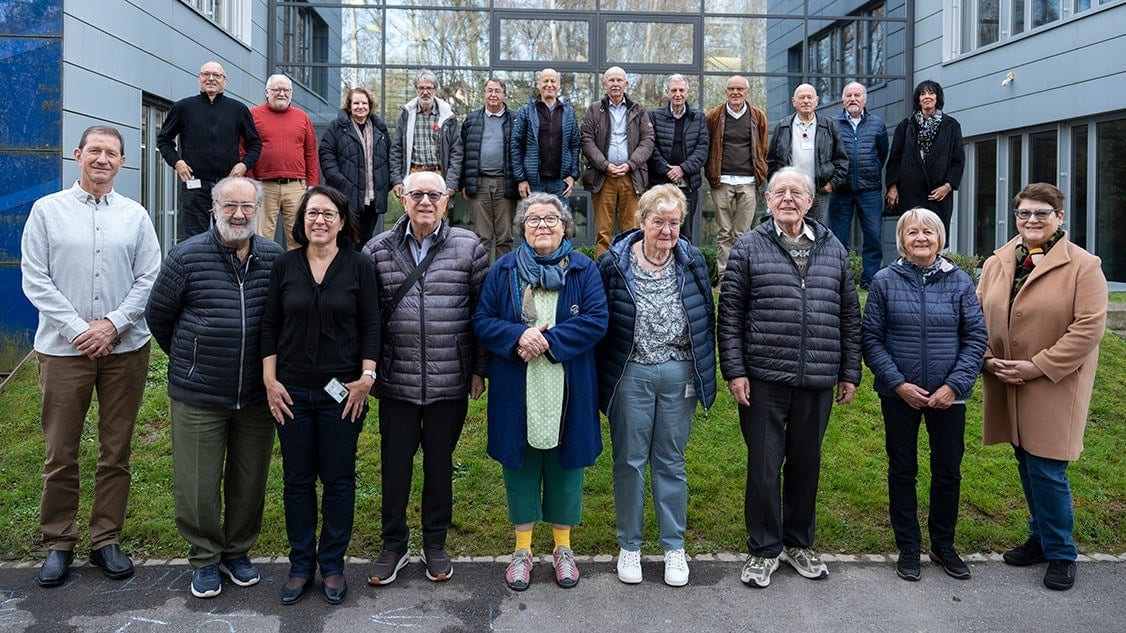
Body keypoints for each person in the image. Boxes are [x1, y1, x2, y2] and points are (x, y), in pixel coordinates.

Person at [21, 125, 161, 588]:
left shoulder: (136, 216)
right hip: (64, 350)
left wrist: (113, 324)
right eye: (95, 151)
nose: (103, 159)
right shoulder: (47, 211)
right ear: (79, 155)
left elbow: (149, 277)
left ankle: (106, 539)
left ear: (123, 162)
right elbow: (36, 279)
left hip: (125, 349)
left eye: (112, 153)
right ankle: (59, 541)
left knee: (115, 450)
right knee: (60, 451)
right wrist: (83, 330)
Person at [717, 167, 861, 589]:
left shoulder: (833, 248)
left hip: (817, 376)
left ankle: (799, 542)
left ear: (810, 200)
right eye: (779, 192)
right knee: (763, 466)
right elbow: (730, 318)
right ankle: (763, 549)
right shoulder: (747, 247)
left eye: (796, 192)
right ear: (766, 201)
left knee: (806, 464)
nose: (787, 199)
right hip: (762, 377)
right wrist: (736, 371)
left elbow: (849, 315)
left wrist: (849, 371)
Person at [145, 176, 283, 598]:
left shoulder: (275, 258)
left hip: (257, 394)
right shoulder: (186, 257)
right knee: (198, 483)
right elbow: (159, 317)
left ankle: (237, 551)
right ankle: (204, 557)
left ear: (257, 209)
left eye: (246, 207)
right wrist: (192, 359)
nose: (238, 214)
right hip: (199, 392)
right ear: (214, 208)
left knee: (249, 479)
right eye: (230, 206)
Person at [473, 193, 608, 591]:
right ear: (522, 229)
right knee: (521, 466)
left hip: (569, 383)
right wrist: (519, 335)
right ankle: (522, 548)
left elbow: (597, 321)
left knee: (567, 467)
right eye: (533, 220)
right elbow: (483, 319)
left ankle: (563, 547)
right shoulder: (505, 269)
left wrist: (548, 341)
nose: (543, 225)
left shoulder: (584, 270)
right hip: (519, 382)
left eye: (551, 219)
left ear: (565, 226)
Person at [977, 183, 1108, 592]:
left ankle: (1062, 552)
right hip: (1006, 377)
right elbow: (976, 311)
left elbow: (1088, 329)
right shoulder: (999, 260)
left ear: (1059, 218)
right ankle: (1040, 538)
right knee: (1025, 460)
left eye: (1041, 214)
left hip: (1053, 382)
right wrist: (986, 357)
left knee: (1048, 468)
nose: (1031, 221)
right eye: (1024, 214)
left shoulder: (1084, 265)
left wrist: (1037, 367)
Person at [364, 171, 489, 586]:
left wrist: (478, 368)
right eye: (416, 194)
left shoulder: (469, 247)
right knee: (394, 466)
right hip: (395, 378)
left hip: (449, 378)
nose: (425, 201)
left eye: (433, 194)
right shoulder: (377, 250)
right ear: (401, 197)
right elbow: (367, 320)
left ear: (447, 199)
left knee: (439, 466)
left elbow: (481, 314)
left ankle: (435, 542)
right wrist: (369, 371)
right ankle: (393, 545)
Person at [261, 185, 380, 606]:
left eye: (329, 214)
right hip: (290, 390)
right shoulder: (284, 265)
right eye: (313, 213)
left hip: (341, 393)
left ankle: (331, 564)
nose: (320, 221)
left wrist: (367, 376)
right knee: (296, 480)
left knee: (338, 479)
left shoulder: (358, 266)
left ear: (342, 221)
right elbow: (270, 324)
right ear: (301, 219)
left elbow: (371, 324)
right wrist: (270, 380)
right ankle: (300, 565)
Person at [598, 184, 716, 588]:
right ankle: (629, 545)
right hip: (631, 372)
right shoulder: (614, 263)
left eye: (674, 222)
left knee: (670, 460)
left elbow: (705, 317)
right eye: (658, 221)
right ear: (641, 221)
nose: (667, 230)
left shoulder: (693, 260)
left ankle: (672, 548)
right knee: (629, 461)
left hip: (679, 372)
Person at [861, 208, 987, 582]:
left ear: (940, 238)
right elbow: (872, 338)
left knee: (947, 471)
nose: (920, 238)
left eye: (928, 232)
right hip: (899, 394)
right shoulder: (884, 280)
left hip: (950, 395)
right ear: (901, 239)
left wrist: (954, 386)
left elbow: (975, 338)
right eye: (912, 232)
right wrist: (898, 384)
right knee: (902, 470)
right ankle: (908, 547)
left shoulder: (960, 282)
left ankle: (944, 545)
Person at [157, 60, 261, 239]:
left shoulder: (238, 109)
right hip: (195, 184)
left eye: (216, 75)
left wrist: (244, 165)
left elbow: (255, 144)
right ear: (199, 79)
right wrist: (177, 162)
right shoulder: (184, 107)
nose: (211, 78)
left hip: (228, 184)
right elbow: (163, 139)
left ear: (224, 81)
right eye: (206, 74)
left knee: (229, 235)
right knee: (193, 236)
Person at [580, 66, 655, 257]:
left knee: (632, 231)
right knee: (603, 233)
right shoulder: (594, 109)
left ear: (626, 83)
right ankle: (601, 277)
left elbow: (648, 141)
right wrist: (605, 165)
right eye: (611, 80)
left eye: (619, 80)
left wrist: (631, 164)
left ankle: (630, 273)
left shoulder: (638, 110)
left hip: (631, 176)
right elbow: (586, 140)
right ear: (604, 84)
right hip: (603, 177)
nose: (615, 84)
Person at [704, 75, 769, 281]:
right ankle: (724, 277)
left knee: (743, 232)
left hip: (748, 181)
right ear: (725, 92)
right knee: (724, 232)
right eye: (731, 89)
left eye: (740, 89)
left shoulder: (757, 116)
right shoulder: (714, 115)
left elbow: (763, 147)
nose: (735, 92)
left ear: (747, 92)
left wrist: (760, 171)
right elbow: (708, 146)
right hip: (721, 181)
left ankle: (741, 277)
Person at [885, 80, 965, 243]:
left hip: (937, 194)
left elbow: (958, 160)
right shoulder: (906, 125)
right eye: (922, 94)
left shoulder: (951, 125)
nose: (927, 97)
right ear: (918, 99)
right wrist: (892, 187)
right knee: (910, 236)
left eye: (931, 93)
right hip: (910, 193)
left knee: (935, 238)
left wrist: (948, 186)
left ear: (937, 97)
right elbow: (894, 159)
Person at [829, 82, 889, 289]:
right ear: (843, 99)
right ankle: (840, 280)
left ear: (864, 99)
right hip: (841, 190)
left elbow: (882, 153)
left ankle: (870, 279)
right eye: (849, 95)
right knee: (838, 238)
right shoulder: (832, 124)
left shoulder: (877, 124)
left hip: (869, 189)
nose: (853, 99)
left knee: (873, 236)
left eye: (857, 95)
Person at [248, 73, 319, 249]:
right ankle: (263, 275)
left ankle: (297, 275)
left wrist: (313, 184)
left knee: (299, 236)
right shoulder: (252, 115)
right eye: (276, 89)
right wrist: (250, 181)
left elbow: (310, 152)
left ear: (291, 93)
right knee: (261, 236)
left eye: (286, 90)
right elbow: (244, 148)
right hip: (263, 185)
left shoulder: (302, 117)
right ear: (267, 92)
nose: (281, 93)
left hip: (296, 186)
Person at [766, 83, 848, 226]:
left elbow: (841, 159)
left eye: (809, 97)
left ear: (816, 101)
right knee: (788, 229)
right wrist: (777, 186)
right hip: (789, 192)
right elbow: (771, 161)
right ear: (794, 102)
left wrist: (831, 185)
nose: (806, 101)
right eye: (801, 97)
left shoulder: (829, 126)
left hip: (819, 191)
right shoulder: (783, 126)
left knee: (817, 231)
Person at [319, 86, 392, 242]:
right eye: (356, 103)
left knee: (366, 241)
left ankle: (362, 267)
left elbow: (389, 157)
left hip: (372, 198)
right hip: (346, 195)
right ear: (349, 106)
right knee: (344, 240)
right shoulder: (337, 127)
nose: (360, 107)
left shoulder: (380, 128)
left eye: (364, 103)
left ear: (370, 105)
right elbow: (326, 156)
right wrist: (341, 182)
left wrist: (386, 183)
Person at [647, 75, 710, 244]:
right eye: (673, 90)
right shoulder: (654, 116)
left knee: (684, 232)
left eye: (681, 90)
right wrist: (667, 170)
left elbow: (703, 148)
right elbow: (650, 147)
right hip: (660, 183)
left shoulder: (698, 117)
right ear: (667, 93)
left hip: (687, 184)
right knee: (658, 229)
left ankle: (683, 270)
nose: (677, 94)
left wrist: (682, 169)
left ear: (688, 93)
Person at [461, 77, 518, 258]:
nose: (493, 95)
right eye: (490, 91)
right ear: (484, 94)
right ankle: (482, 281)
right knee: (482, 237)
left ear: (505, 95)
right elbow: (463, 153)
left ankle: (503, 279)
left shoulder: (515, 120)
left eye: (497, 91)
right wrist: (464, 183)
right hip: (480, 184)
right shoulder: (471, 120)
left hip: (505, 184)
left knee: (505, 237)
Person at [390, 70, 462, 202]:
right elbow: (396, 150)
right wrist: (397, 180)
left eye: (429, 88)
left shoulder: (447, 117)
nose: (425, 92)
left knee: (439, 219)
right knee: (413, 218)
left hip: (439, 175)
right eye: (421, 88)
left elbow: (456, 153)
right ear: (416, 89)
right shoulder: (406, 115)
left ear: (435, 90)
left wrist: (451, 183)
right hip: (413, 174)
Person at [510, 68, 580, 199]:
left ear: (558, 85)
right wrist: (521, 178)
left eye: (553, 81)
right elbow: (516, 145)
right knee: (535, 218)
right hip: (533, 183)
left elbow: (575, 145)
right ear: (538, 85)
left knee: (560, 219)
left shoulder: (569, 113)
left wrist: (573, 175)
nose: (549, 84)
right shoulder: (526, 111)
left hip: (561, 182)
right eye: (545, 81)